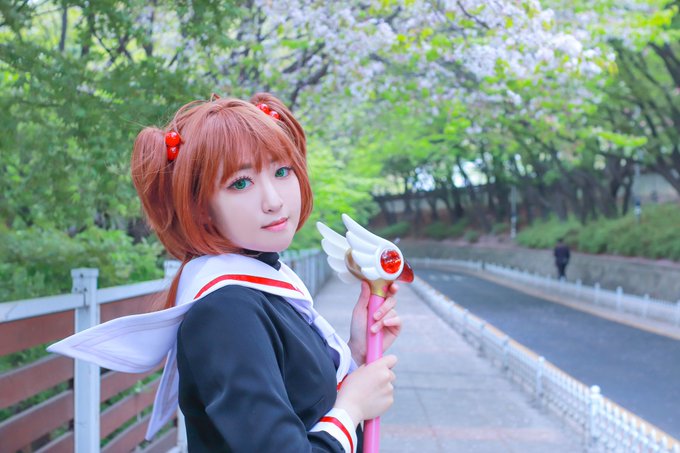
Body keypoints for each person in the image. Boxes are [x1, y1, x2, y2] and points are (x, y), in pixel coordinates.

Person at [48, 94, 401, 452]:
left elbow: (303, 405)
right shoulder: (225, 311)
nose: (273, 200)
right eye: (241, 183)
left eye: (282, 171)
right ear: (201, 208)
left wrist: (356, 353)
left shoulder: (260, 290)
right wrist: (352, 409)